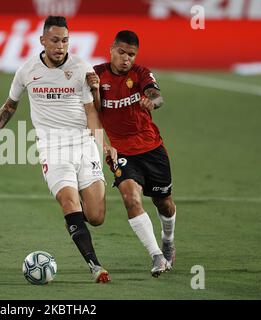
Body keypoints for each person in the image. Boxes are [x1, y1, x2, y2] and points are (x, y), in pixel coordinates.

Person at [0, 16, 117, 283]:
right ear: (42, 41)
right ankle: (95, 266)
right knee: (69, 202)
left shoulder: (80, 68)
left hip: (84, 145)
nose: (60, 46)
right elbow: (10, 106)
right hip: (53, 149)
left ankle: (74, 220)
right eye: (54, 40)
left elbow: (91, 113)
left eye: (65, 40)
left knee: (96, 216)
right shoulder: (27, 71)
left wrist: (103, 145)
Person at [87, 30, 177, 277]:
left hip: (151, 148)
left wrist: (152, 101)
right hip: (119, 150)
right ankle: (157, 255)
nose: (126, 58)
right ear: (111, 49)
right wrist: (95, 93)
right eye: (122, 52)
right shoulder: (96, 74)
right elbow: (91, 111)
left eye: (131, 54)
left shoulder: (141, 74)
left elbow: (156, 96)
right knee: (130, 197)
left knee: (164, 203)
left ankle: (168, 240)